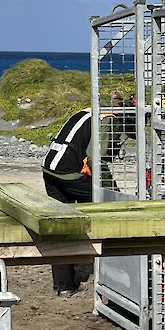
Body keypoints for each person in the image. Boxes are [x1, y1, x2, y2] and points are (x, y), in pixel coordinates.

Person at [42, 95, 135, 297]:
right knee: (107, 214)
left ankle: (64, 285)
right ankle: (116, 274)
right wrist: (112, 192)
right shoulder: (107, 118)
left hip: (51, 168)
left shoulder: (85, 112)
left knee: (61, 225)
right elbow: (97, 158)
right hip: (71, 173)